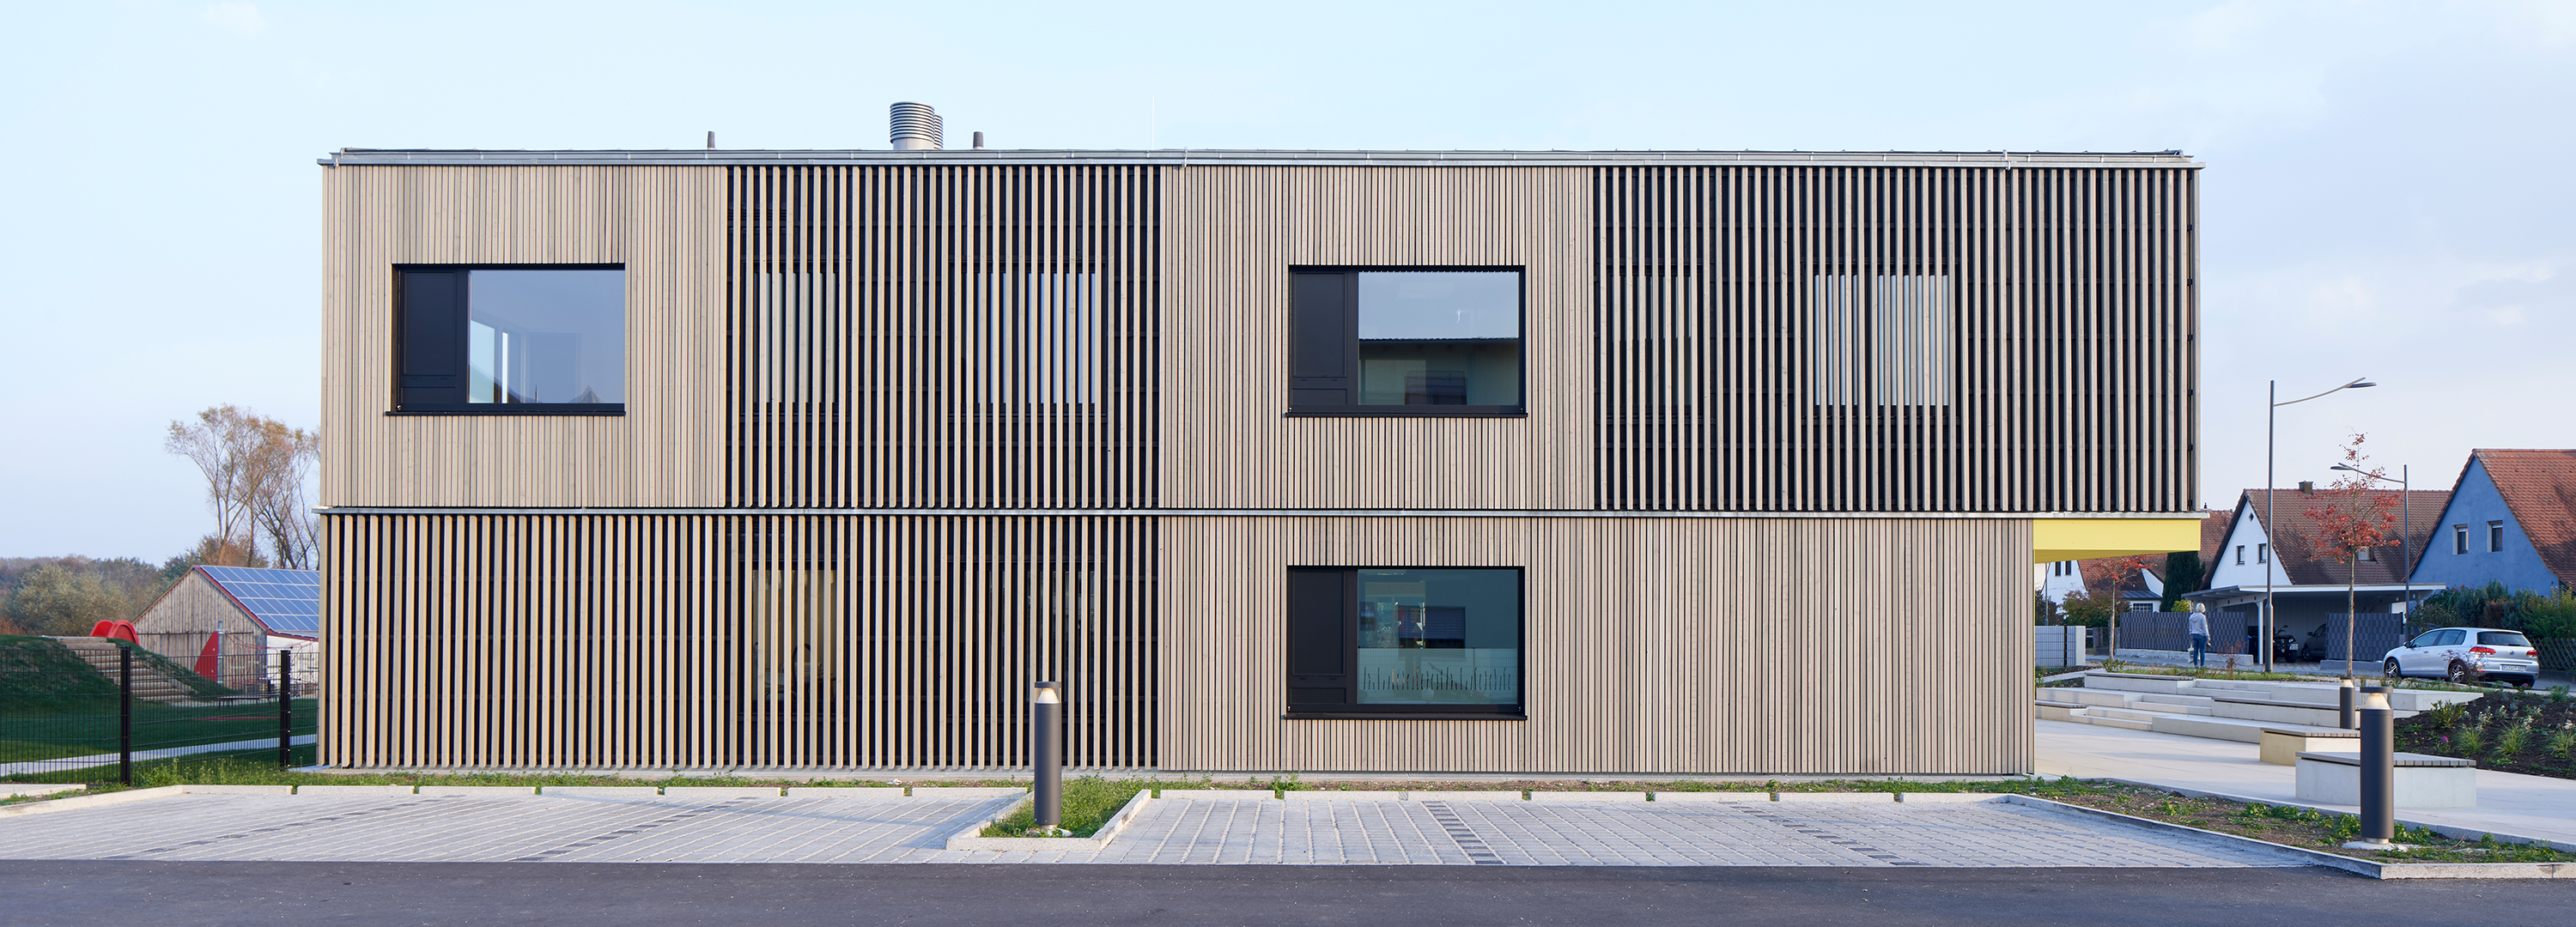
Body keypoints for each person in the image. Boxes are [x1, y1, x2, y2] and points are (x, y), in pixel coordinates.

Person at [2187, 603, 2211, 669]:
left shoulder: (2191, 616)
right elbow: (2204, 627)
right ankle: (2202, 665)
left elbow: (2190, 627)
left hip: (2194, 635)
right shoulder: (2202, 617)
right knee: (2202, 651)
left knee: (2195, 651)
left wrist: (2191, 634)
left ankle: (2195, 665)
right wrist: (2208, 636)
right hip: (2201, 635)